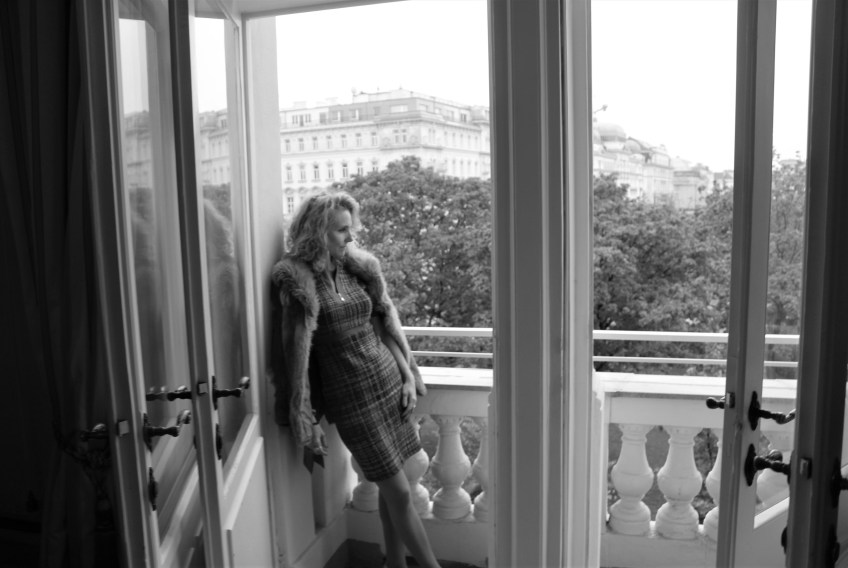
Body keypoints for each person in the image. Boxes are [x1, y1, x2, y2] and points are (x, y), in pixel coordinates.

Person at [272, 191, 441, 568]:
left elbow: (383, 325)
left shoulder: (356, 268)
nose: (351, 237)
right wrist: (307, 415)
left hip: (388, 384)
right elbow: (295, 358)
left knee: (391, 489)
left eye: (351, 228)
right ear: (317, 232)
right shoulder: (298, 282)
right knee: (399, 491)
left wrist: (407, 376)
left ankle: (394, 563)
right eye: (341, 230)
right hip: (351, 401)